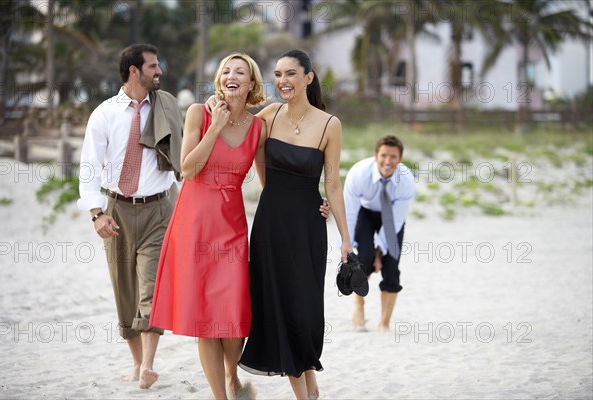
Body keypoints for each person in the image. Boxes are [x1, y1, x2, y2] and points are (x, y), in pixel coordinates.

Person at [149, 52, 329, 400]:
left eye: (241, 72)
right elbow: (187, 169)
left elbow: (272, 183)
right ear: (220, 79)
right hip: (195, 221)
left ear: (250, 85)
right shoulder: (198, 113)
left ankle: (232, 375)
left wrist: (309, 204)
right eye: (226, 70)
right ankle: (221, 395)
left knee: (233, 315)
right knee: (205, 319)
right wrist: (215, 126)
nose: (232, 75)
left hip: (231, 225)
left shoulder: (258, 127)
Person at [236, 49, 353, 400]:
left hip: (308, 227)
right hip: (271, 225)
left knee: (305, 311)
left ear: (308, 77)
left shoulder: (330, 124)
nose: (282, 81)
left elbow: (332, 183)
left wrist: (345, 239)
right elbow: (257, 162)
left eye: (290, 74)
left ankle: (309, 378)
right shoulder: (268, 116)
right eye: (277, 74)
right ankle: (304, 394)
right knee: (278, 306)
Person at [77, 44, 183, 389]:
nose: (159, 72)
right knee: (124, 289)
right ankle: (136, 362)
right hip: (117, 209)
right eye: (153, 66)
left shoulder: (167, 106)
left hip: (159, 209)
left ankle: (150, 365)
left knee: (150, 288)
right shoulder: (105, 114)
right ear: (133, 71)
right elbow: (90, 166)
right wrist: (96, 214)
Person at [343, 135, 416, 332]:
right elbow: (349, 213)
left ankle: (384, 323)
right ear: (375, 155)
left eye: (393, 157)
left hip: (391, 216)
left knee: (391, 267)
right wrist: (347, 244)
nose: (388, 161)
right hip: (364, 214)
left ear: (399, 159)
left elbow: (397, 219)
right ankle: (359, 307)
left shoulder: (406, 180)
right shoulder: (359, 173)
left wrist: (381, 252)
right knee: (363, 259)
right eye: (384, 155)